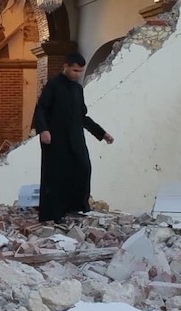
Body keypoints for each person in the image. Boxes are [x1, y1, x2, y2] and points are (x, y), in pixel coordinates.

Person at [33, 52, 114, 224]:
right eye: (75, 70)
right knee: (56, 176)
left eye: (80, 71)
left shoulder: (78, 89)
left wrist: (102, 133)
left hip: (75, 138)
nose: (78, 75)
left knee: (83, 168)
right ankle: (52, 214)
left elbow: (82, 116)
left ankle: (75, 206)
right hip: (55, 139)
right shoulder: (53, 85)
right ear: (67, 66)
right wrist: (43, 130)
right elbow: (40, 109)